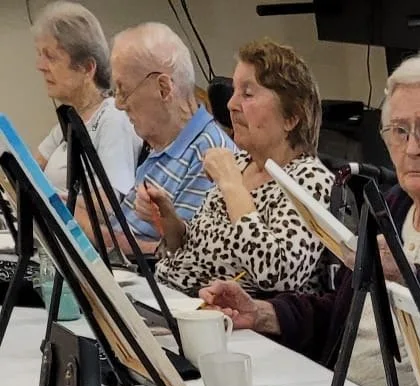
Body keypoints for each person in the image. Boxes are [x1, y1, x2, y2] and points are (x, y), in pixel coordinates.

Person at [203, 57, 420, 386]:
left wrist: (409, 281)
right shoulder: (391, 207)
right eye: (400, 132)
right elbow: (339, 312)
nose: (412, 149)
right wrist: (262, 313)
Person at [148, 40, 332, 296]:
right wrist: (174, 226)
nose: (231, 105)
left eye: (247, 94)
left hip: (231, 325)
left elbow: (277, 273)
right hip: (172, 297)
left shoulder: (310, 180)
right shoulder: (241, 164)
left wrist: (231, 185)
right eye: (235, 91)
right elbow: (205, 253)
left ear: (291, 117)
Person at [110, 23, 227, 250]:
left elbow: (181, 255)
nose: (118, 104)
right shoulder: (161, 147)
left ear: (164, 88)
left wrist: (89, 235)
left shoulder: (209, 154)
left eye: (124, 91)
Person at [32, 4, 139, 198]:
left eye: (51, 57)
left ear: (87, 68)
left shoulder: (113, 119)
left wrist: (50, 199)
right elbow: (28, 172)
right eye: (40, 55)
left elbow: (109, 204)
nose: (40, 66)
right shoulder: (70, 120)